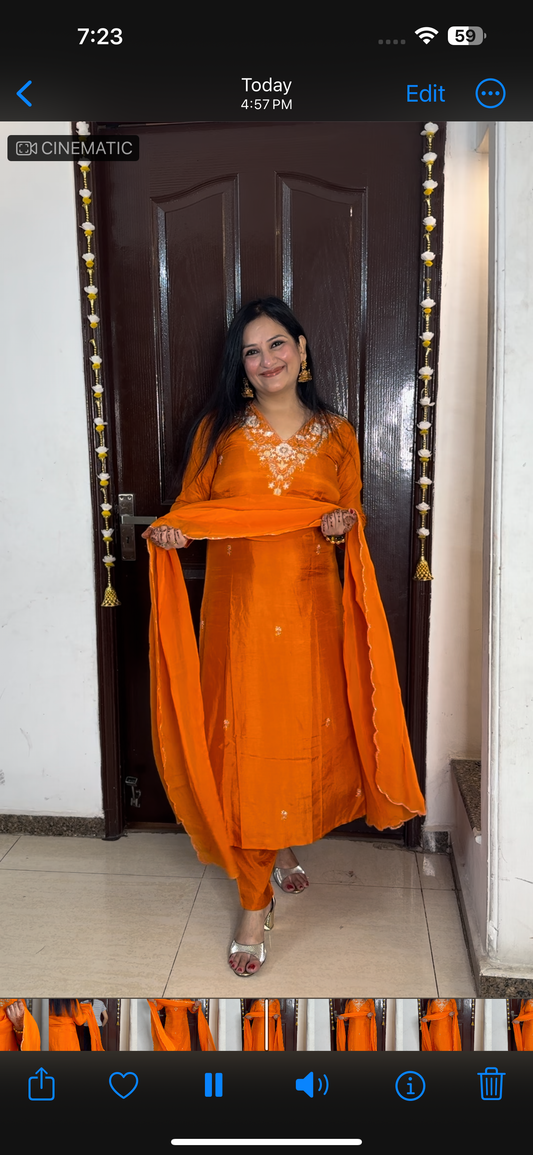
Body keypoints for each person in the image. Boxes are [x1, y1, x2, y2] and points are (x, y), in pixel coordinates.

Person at [143, 297, 425, 977]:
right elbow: (190, 508)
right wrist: (174, 532)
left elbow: (351, 511)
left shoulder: (337, 434)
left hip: (308, 619)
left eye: (276, 344)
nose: (266, 360)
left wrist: (341, 524)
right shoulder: (218, 432)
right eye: (251, 351)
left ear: (301, 351)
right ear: (240, 367)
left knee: (293, 741)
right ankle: (252, 902)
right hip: (237, 620)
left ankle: (282, 842)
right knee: (245, 744)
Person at [147, 999, 216, 1051]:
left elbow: (193, 1010)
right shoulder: (167, 1000)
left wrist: (196, 1005)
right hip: (170, 1031)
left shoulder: (186, 1000)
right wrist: (153, 1001)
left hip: (183, 1031)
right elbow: (157, 1007)